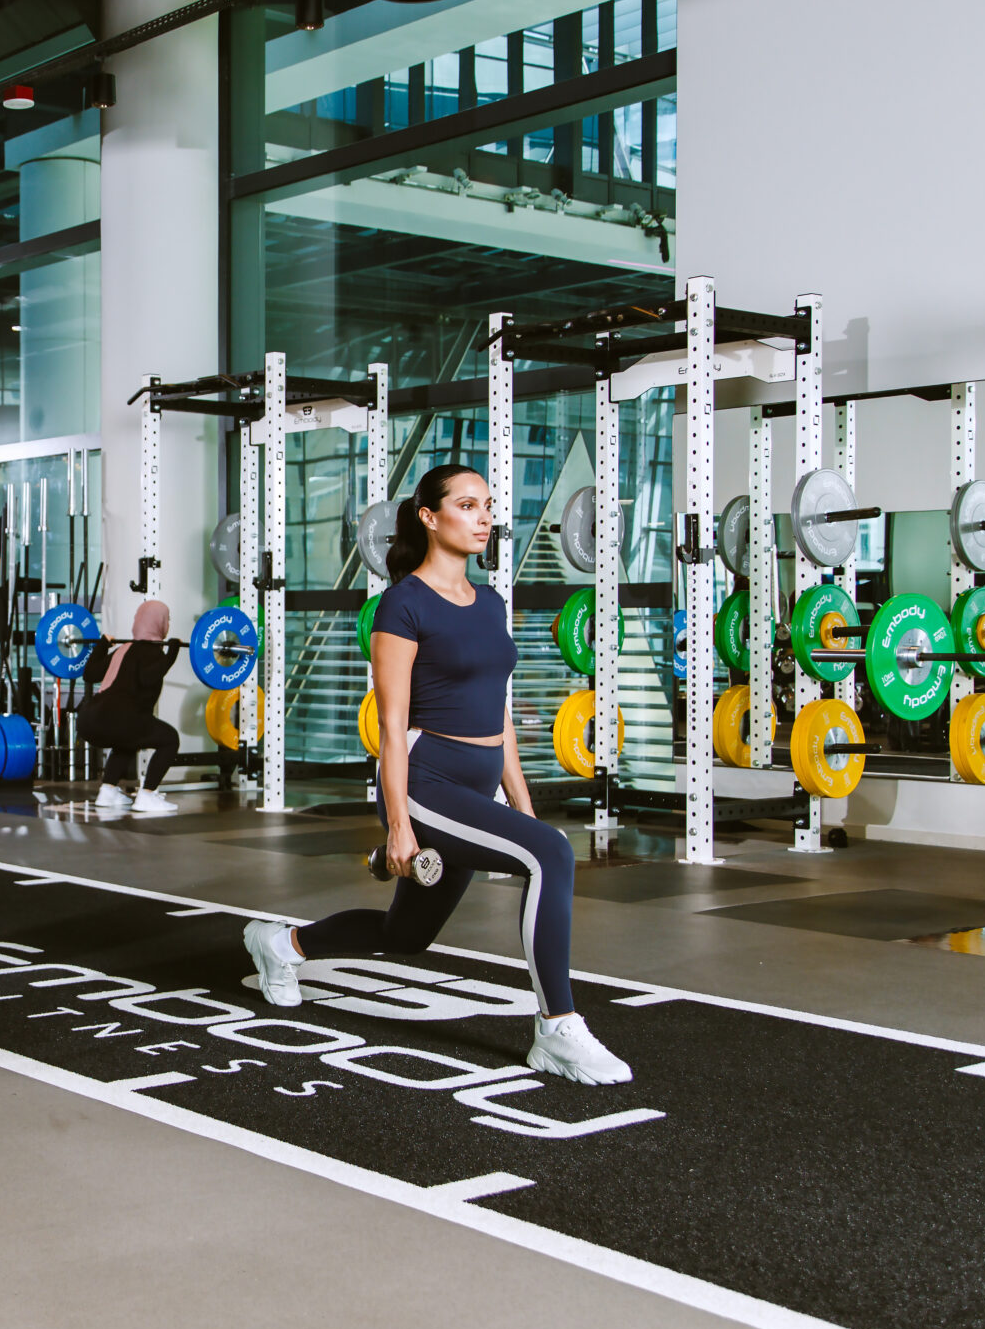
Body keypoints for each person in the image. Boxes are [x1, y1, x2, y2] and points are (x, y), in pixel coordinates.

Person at [240, 463, 631, 1085]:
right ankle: (558, 1030)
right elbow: (392, 726)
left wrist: (520, 806)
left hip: (476, 785)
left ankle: (282, 946)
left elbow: (498, 714)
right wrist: (399, 824)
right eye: (468, 506)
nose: (484, 518)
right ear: (430, 516)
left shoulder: (490, 602)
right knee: (553, 854)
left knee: (406, 935)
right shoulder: (402, 604)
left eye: (488, 507)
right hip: (425, 784)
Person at [77, 598, 180, 815]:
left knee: (128, 739)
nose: (168, 623)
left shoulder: (123, 649)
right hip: (119, 719)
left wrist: (102, 645)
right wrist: (171, 654)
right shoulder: (152, 652)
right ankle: (148, 795)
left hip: (89, 720)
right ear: (158, 623)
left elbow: (90, 674)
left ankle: (107, 791)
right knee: (170, 739)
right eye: (167, 619)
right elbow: (147, 678)